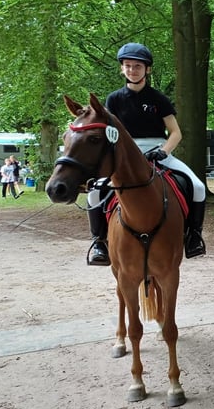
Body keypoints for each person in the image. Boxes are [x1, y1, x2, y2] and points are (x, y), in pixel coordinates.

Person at [84, 42, 206, 266]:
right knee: (94, 192)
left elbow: (176, 132)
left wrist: (163, 151)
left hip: (158, 151)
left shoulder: (159, 99)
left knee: (197, 186)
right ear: (122, 68)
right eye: (128, 66)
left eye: (137, 66)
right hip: (125, 156)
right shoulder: (114, 100)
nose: (132, 70)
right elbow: (111, 134)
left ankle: (193, 236)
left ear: (147, 69)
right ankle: (99, 242)